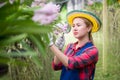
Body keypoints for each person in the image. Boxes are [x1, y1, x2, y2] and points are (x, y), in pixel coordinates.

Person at [49, 10, 101, 80]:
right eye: (73, 26)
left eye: (78, 25)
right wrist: (58, 48)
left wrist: (51, 45)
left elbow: (72, 64)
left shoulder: (92, 51)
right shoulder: (70, 46)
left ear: (88, 28)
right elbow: (56, 66)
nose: (75, 28)